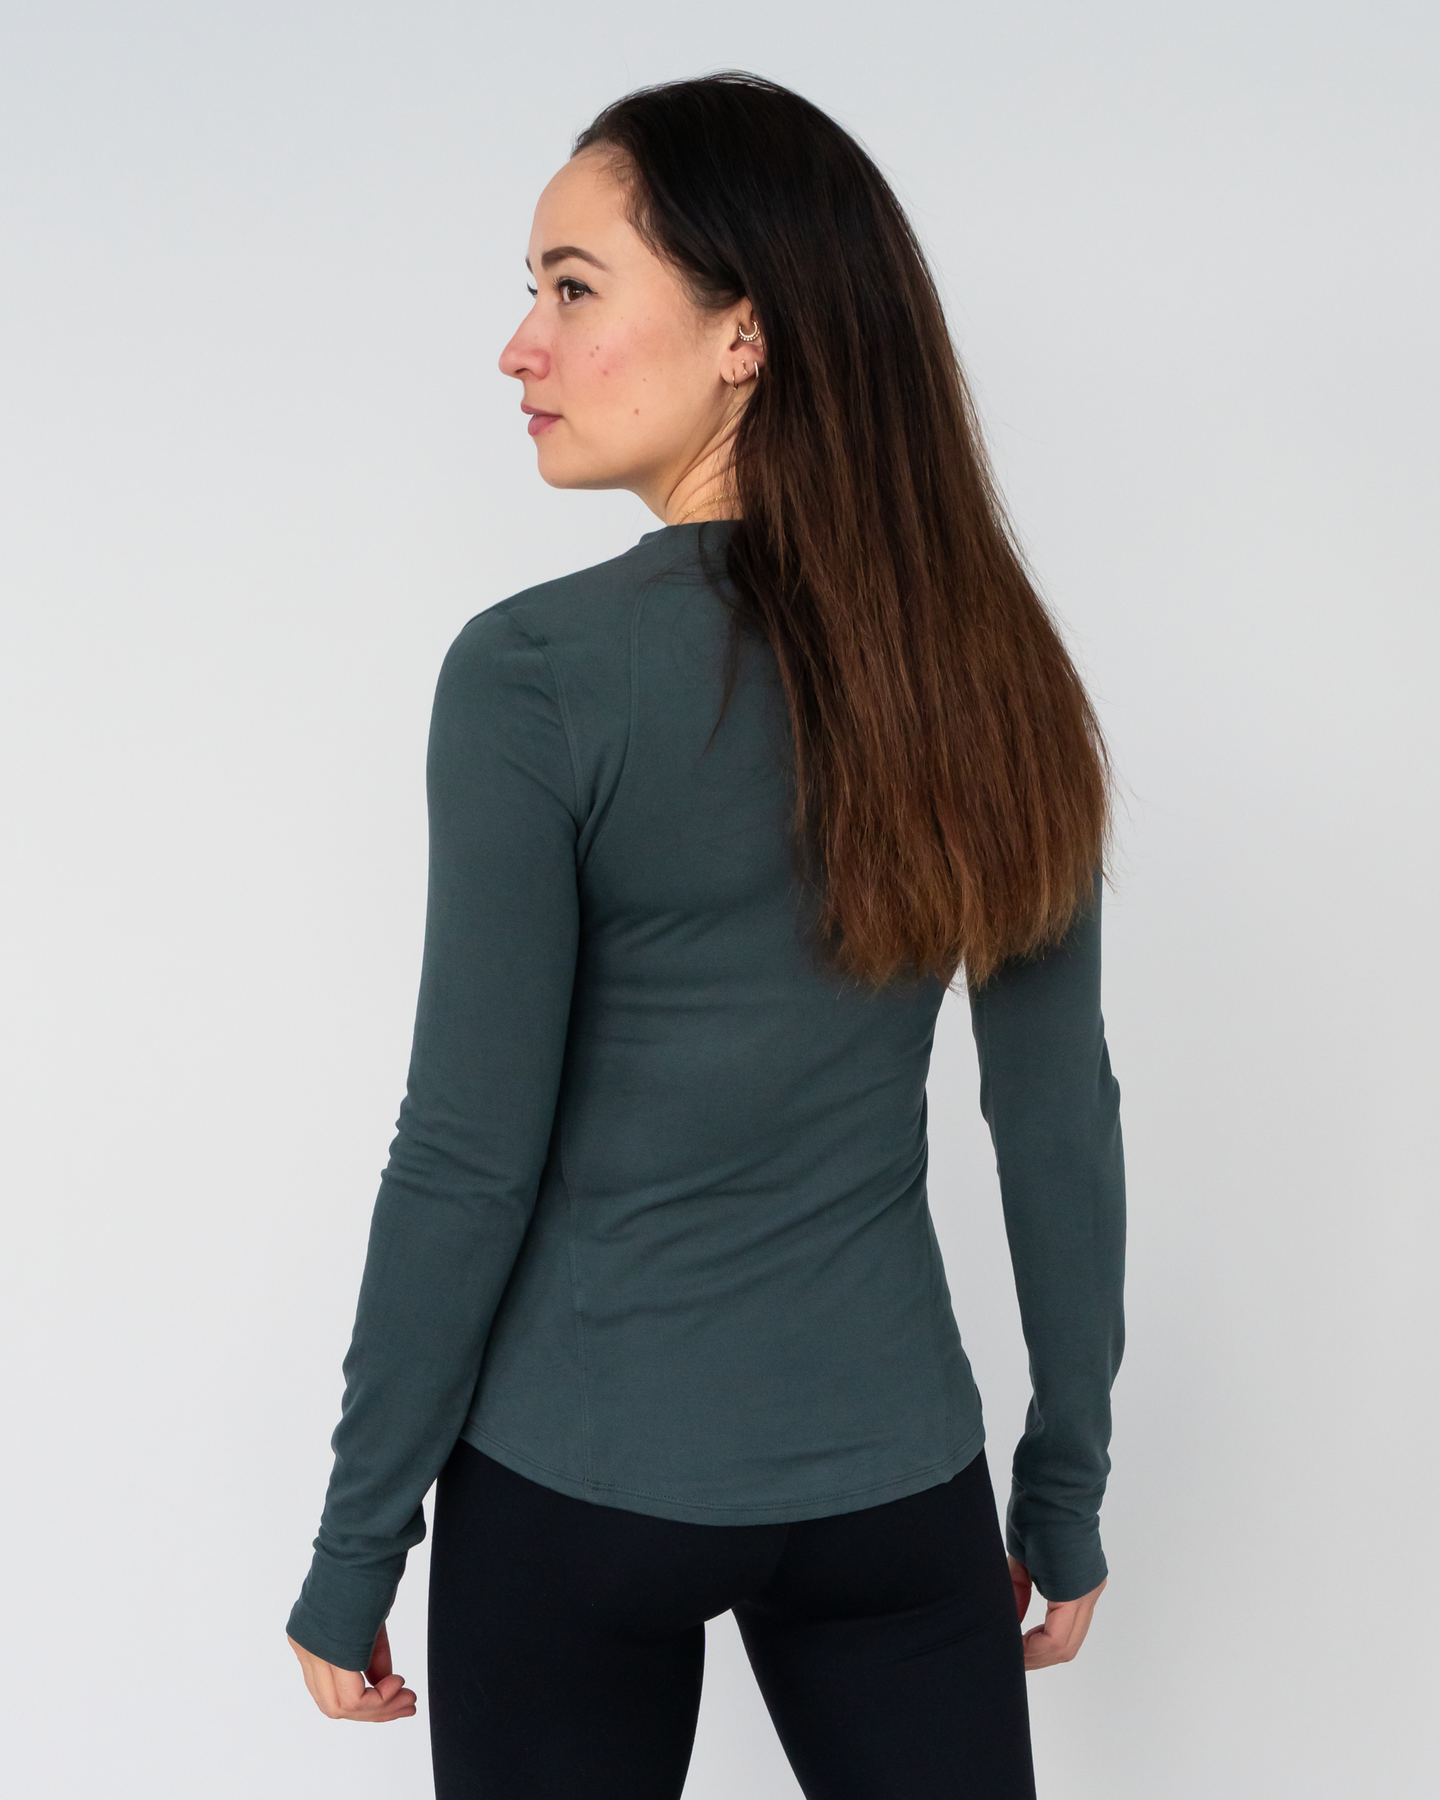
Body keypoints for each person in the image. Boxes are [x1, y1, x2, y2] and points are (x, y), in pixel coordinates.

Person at [285, 72, 1125, 1800]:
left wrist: (360, 1538)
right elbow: (1056, 1120)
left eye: (572, 287)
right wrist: (1067, 1485)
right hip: (896, 1494)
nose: (520, 346)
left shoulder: (533, 676)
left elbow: (465, 1157)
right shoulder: (992, 670)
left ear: (746, 333)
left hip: (578, 1492)